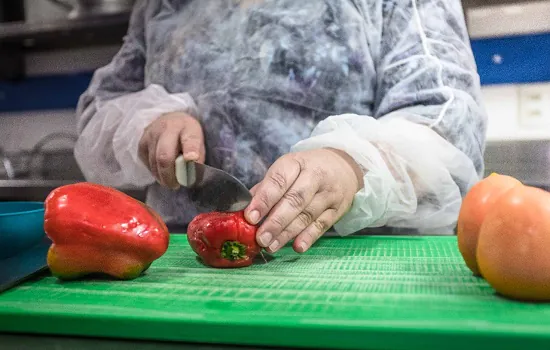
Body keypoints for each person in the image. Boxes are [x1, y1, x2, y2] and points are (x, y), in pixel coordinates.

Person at [74, 0, 487, 255]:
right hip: (182, 263)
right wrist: (146, 124)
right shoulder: (162, 5)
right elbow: (100, 112)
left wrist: (353, 166)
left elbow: (447, 123)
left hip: (352, 264)